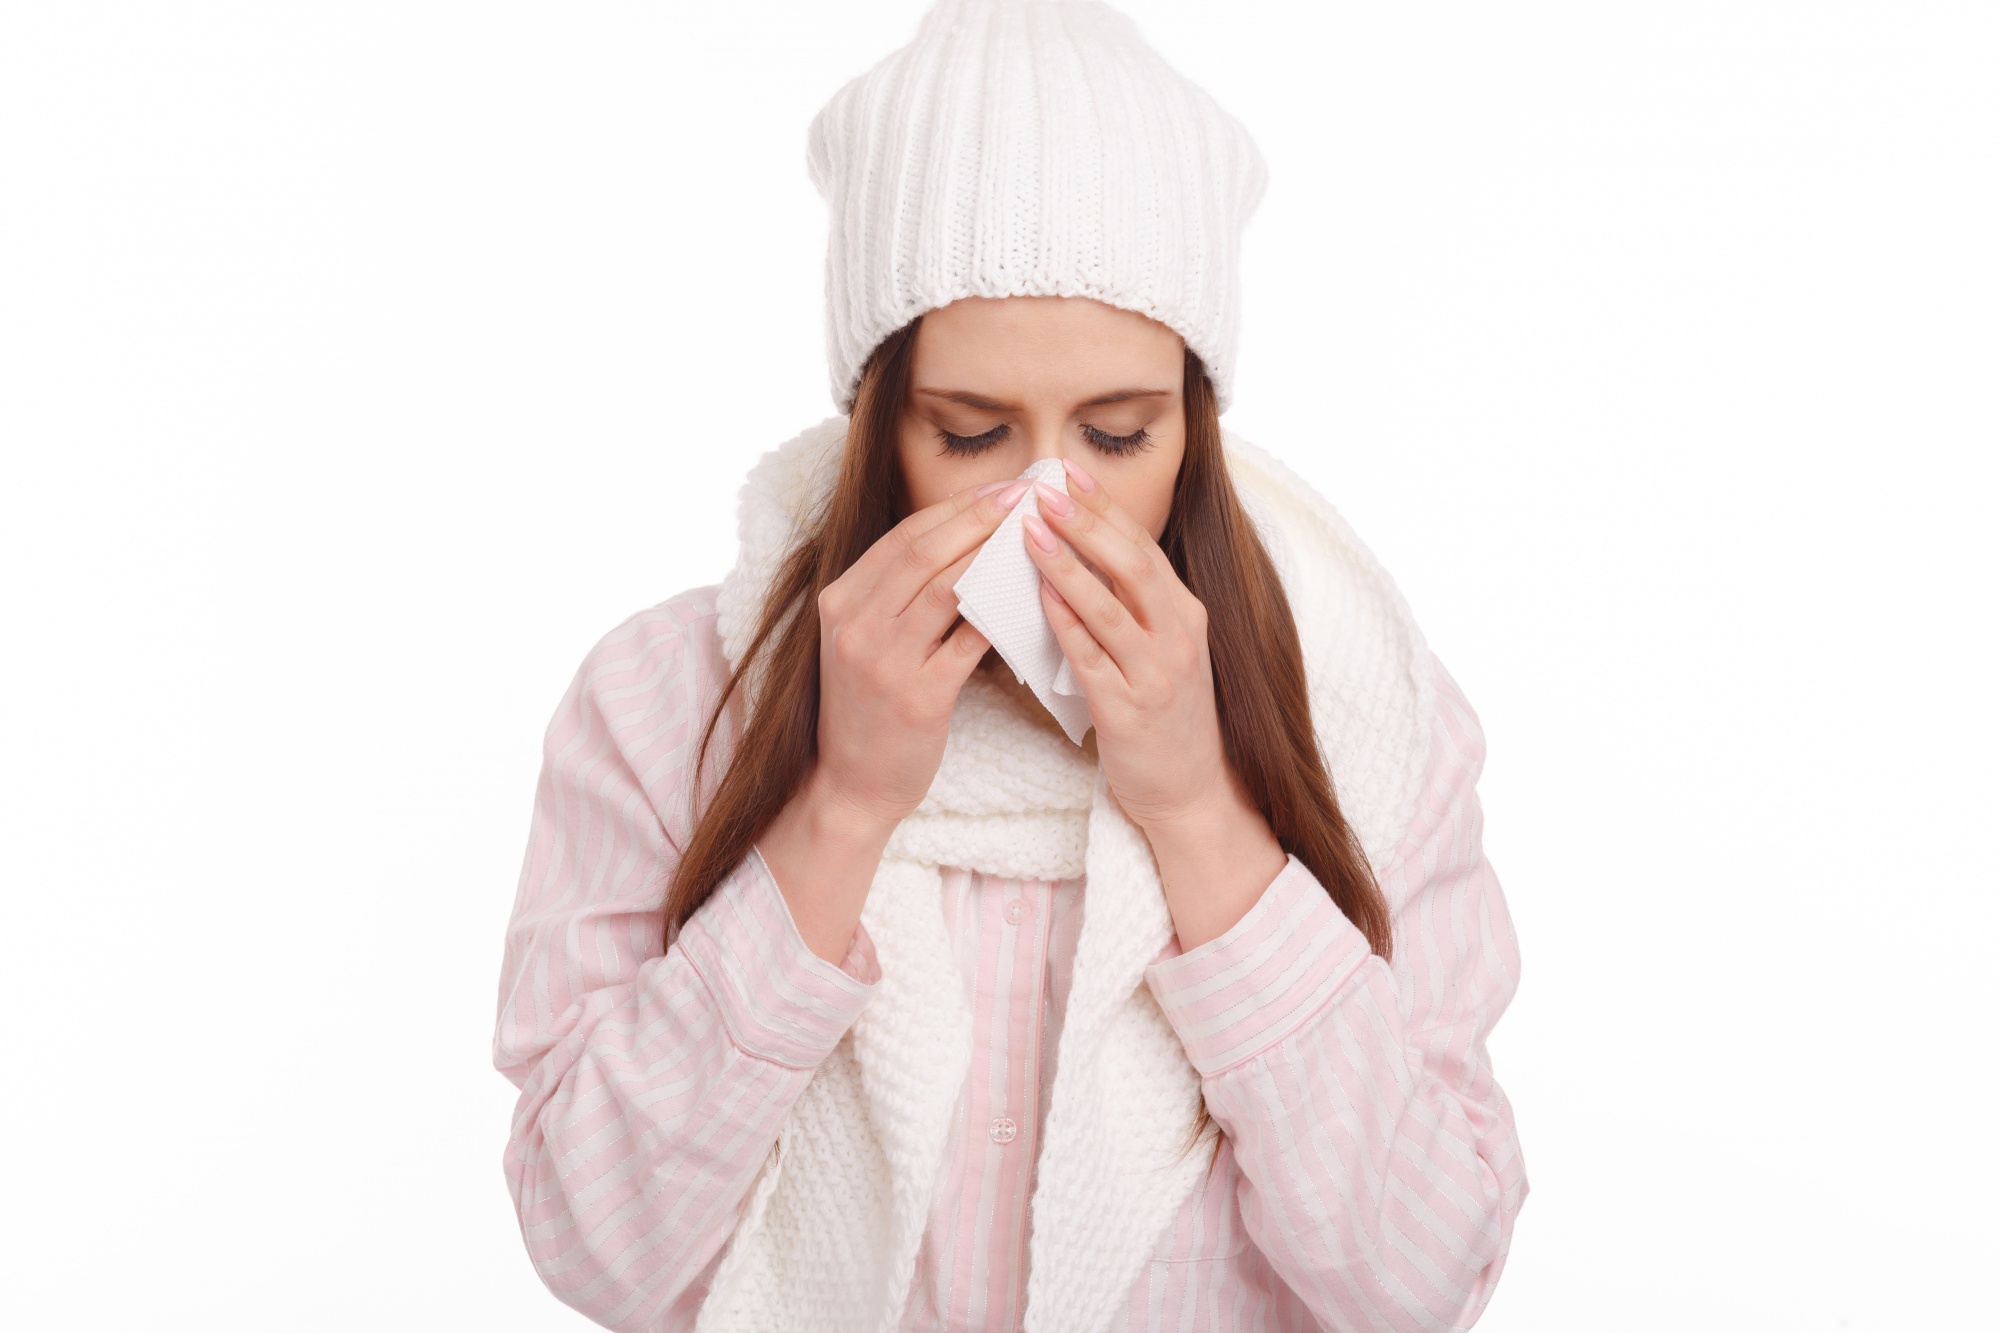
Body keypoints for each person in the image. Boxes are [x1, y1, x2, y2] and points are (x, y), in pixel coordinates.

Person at [490, 2, 1527, 1329]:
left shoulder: (1370, 713)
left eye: (1118, 432)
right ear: (877, 421)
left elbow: (1421, 1280)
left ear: (1196, 428)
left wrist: (1200, 811)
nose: (1050, 502)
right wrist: (845, 801)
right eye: (972, 433)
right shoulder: (665, 701)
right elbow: (595, 1244)